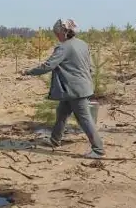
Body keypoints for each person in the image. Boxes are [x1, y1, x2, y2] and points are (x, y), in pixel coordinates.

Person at [22, 19, 105, 159]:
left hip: (75, 90)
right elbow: (90, 67)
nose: (56, 36)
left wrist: (28, 72)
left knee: (84, 119)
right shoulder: (82, 44)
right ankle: (55, 140)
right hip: (78, 88)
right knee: (61, 113)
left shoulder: (64, 47)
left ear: (64, 32)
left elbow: (48, 66)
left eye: (57, 33)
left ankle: (98, 149)